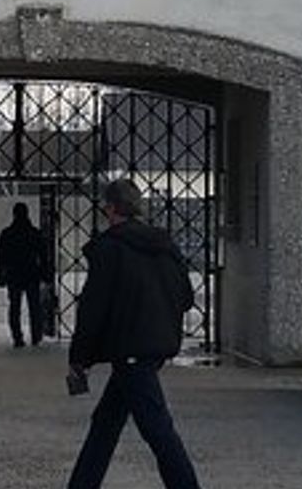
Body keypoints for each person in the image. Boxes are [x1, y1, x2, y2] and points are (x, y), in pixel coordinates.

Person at [64, 180, 201, 489]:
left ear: (110, 208)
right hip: (154, 345)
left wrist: (80, 358)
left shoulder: (110, 249)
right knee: (106, 422)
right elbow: (186, 297)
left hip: (129, 348)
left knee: (157, 428)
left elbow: (93, 308)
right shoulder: (164, 246)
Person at [0, 202, 51, 348]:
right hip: (32, 274)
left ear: (14, 214)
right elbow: (43, 256)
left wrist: (0, 276)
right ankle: (36, 336)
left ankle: (17, 337)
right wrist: (46, 274)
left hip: (14, 275)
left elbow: (0, 257)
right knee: (35, 307)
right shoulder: (34, 233)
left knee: (14, 307)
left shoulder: (7, 234)